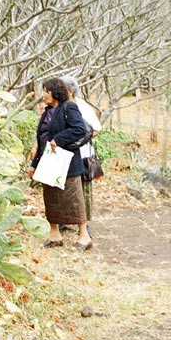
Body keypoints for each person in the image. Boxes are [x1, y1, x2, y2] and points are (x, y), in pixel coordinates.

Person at [27, 78, 93, 251]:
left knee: (74, 198)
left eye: (46, 92)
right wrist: (34, 164)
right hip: (48, 162)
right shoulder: (47, 112)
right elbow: (42, 139)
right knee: (51, 199)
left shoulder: (68, 107)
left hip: (67, 162)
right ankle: (55, 235)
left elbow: (80, 129)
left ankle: (84, 236)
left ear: (55, 92)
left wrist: (59, 139)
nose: (43, 95)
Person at [62, 76, 102, 229]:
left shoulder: (82, 106)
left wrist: (76, 141)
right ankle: (64, 220)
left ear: (70, 91)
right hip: (63, 154)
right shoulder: (60, 106)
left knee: (82, 189)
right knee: (64, 187)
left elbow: (96, 129)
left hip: (82, 154)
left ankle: (84, 224)